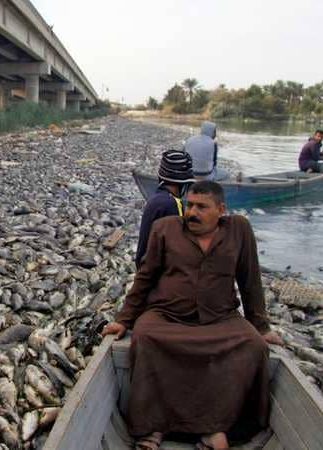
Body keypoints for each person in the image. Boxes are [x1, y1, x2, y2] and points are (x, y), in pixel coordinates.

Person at [102, 181, 283, 450]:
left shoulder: (239, 230)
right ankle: (153, 428)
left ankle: (217, 429)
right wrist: (124, 319)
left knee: (254, 347)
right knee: (146, 338)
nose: (192, 213)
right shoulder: (165, 229)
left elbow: (250, 279)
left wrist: (261, 325)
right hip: (167, 315)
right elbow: (145, 277)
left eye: (201, 207)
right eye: (189, 205)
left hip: (220, 318)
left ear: (221, 209)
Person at [134, 149, 195, 269]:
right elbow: (177, 247)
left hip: (143, 267)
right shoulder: (173, 204)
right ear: (183, 182)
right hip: (155, 274)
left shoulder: (156, 198)